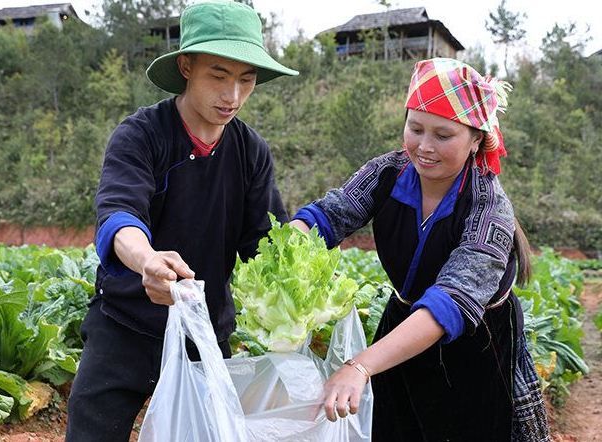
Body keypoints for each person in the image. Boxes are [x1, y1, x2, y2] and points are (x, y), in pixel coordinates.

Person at [66, 2, 298, 440]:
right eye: (218, 75)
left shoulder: (251, 152)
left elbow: (265, 244)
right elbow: (119, 215)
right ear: (186, 66)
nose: (232, 95)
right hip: (126, 324)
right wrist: (147, 260)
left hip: (205, 332)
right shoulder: (142, 134)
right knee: (92, 429)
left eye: (246, 80)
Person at [291, 58, 549, 441]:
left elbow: (450, 303)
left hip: (475, 344)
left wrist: (360, 367)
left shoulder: (489, 209)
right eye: (415, 129)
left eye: (443, 136)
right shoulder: (387, 173)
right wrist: (289, 246)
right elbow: (329, 217)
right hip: (401, 325)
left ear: (476, 138)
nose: (424, 148)